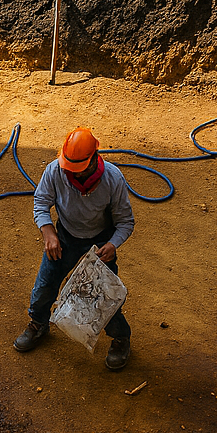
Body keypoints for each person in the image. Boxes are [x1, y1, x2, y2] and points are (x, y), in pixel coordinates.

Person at [14, 126, 134, 370]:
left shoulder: (113, 178)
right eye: (69, 168)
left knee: (104, 299)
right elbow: (41, 202)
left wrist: (112, 244)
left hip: (100, 244)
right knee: (45, 286)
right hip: (65, 237)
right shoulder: (55, 171)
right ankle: (38, 324)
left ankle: (121, 339)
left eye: (78, 169)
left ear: (94, 159)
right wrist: (48, 231)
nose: (73, 174)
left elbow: (125, 222)